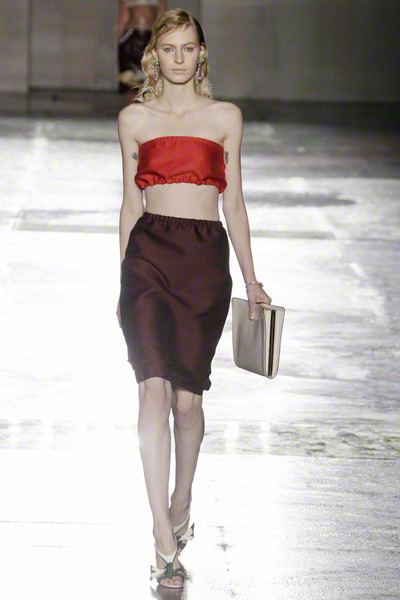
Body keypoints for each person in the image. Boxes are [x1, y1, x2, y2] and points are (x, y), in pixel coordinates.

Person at [116, 8, 272, 589]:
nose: (178, 58)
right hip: (148, 259)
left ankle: (181, 499)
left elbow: (235, 204)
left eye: (188, 48)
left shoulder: (225, 118)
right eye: (169, 49)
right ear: (154, 56)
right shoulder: (134, 119)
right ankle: (162, 534)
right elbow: (129, 203)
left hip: (204, 263)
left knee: (187, 403)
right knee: (152, 389)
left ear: (201, 54)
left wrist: (252, 280)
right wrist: (124, 277)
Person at [116, 0, 167, 103]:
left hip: (151, 37)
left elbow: (162, 17)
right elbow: (123, 18)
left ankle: (146, 112)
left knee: (151, 83)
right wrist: (119, 43)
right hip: (131, 38)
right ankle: (131, 112)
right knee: (131, 84)